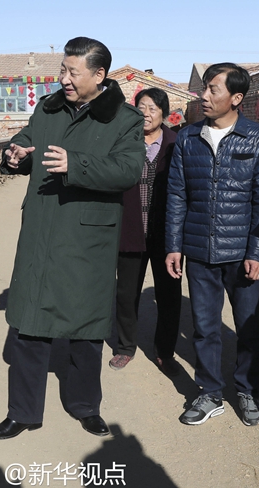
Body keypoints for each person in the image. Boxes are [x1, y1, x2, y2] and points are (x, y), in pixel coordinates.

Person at [0, 37, 144, 440]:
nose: (64, 79)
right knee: (30, 325)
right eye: (63, 70)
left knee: (86, 329)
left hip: (87, 237)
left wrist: (77, 164)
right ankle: (22, 412)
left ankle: (85, 406)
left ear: (99, 75)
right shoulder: (48, 107)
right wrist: (17, 156)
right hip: (42, 227)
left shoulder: (124, 118)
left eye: (73, 72)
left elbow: (127, 170)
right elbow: (27, 140)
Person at [165, 63, 259, 427]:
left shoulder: (258, 138)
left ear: (236, 97)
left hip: (242, 254)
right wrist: (174, 245)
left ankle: (247, 391)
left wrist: (257, 253)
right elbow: (177, 195)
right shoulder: (188, 138)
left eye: (213, 89)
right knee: (204, 327)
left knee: (248, 328)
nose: (204, 96)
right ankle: (210, 392)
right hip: (199, 251)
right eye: (205, 88)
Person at [109, 88, 182, 376]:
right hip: (130, 229)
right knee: (126, 294)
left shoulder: (177, 144)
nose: (146, 114)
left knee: (169, 295)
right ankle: (125, 347)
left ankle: (165, 351)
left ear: (164, 113)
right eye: (141, 108)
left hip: (167, 235)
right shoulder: (124, 142)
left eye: (153, 108)